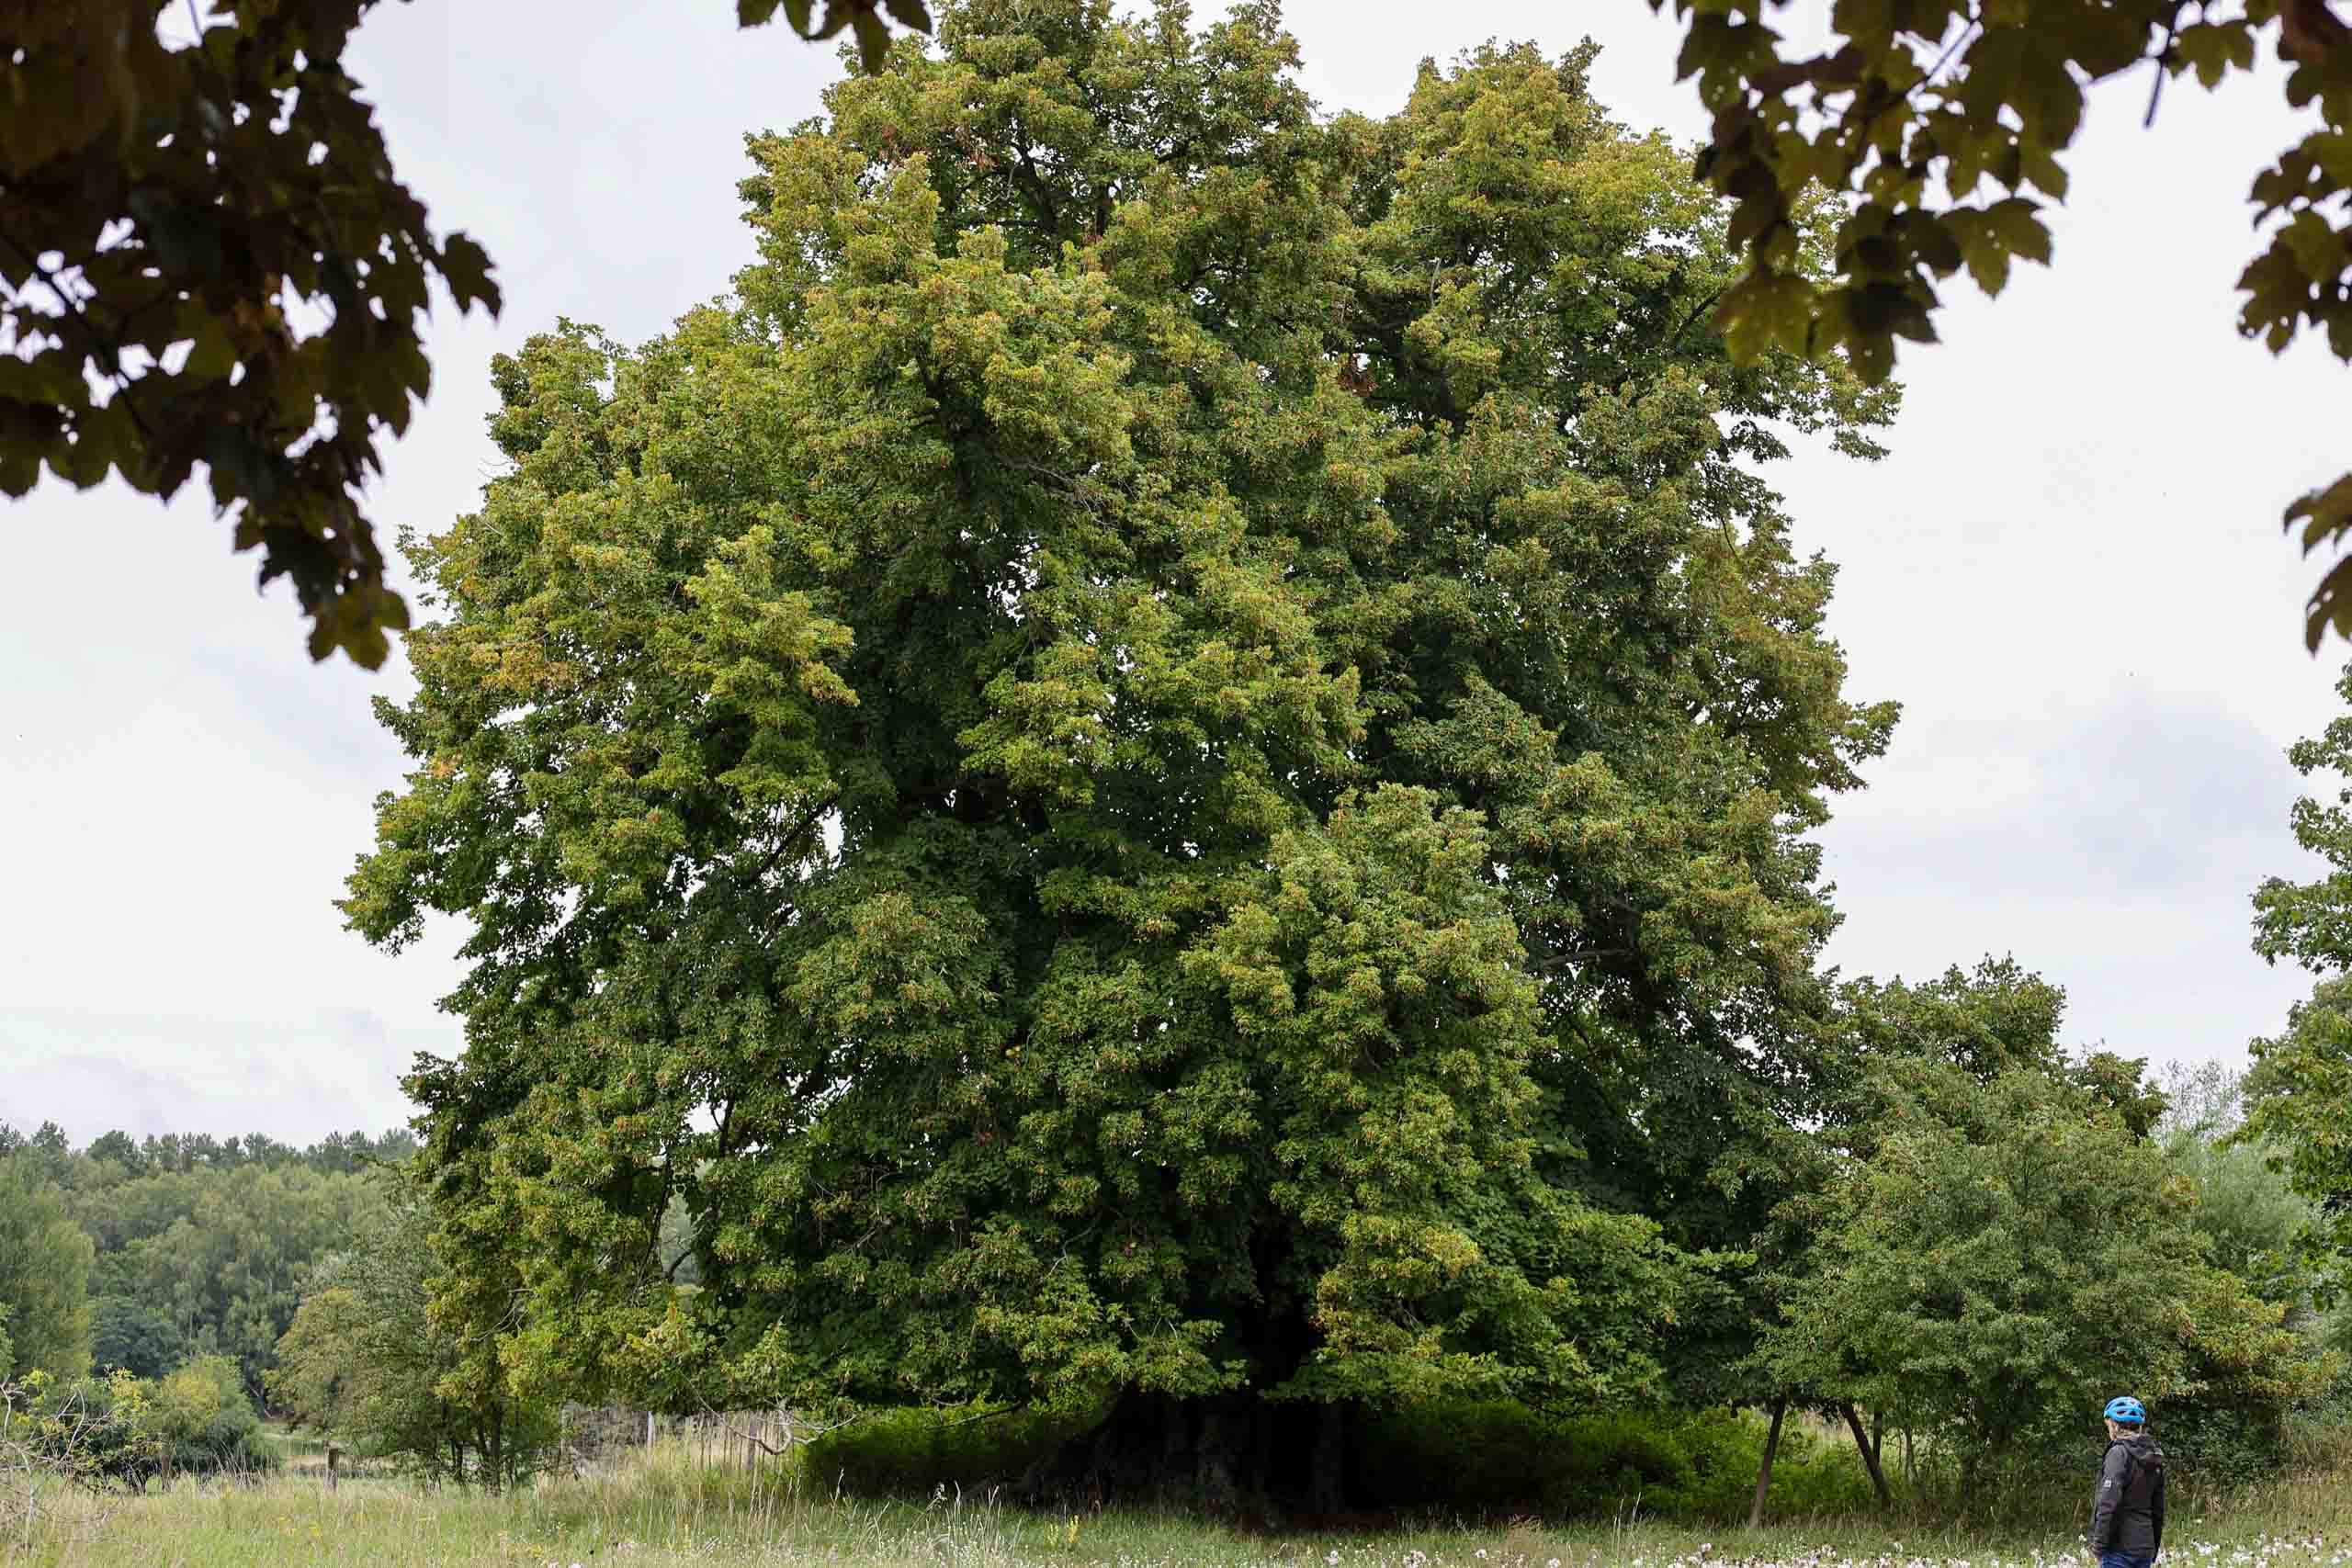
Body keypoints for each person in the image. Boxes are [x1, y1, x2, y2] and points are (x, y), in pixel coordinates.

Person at [2089, 1395, 2166, 1568]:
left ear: (2114, 1426)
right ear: (2139, 1427)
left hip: (2119, 1549)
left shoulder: (2118, 1453)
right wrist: (2153, 1547)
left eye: (2108, 1425)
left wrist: (2099, 1545)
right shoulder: (2154, 1455)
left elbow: (2108, 1502)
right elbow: (2158, 1509)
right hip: (2144, 1547)